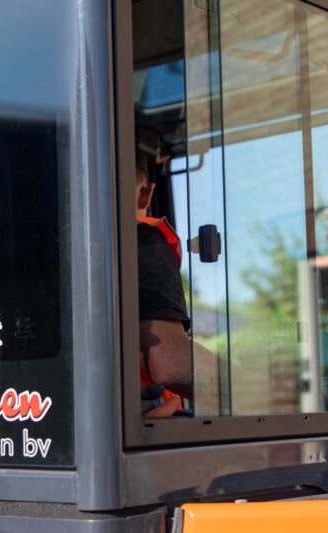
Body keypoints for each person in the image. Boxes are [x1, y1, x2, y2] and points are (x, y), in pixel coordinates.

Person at [136, 151, 217, 417]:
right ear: (145, 194)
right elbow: (170, 363)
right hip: (134, 425)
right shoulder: (141, 237)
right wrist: (261, 389)